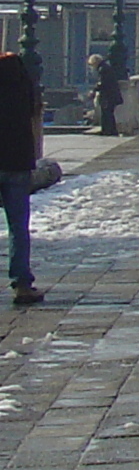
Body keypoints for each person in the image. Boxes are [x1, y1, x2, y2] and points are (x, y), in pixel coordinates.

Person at [0, 49, 43, 306]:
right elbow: (33, 117)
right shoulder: (24, 89)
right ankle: (22, 285)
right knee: (18, 227)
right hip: (17, 164)